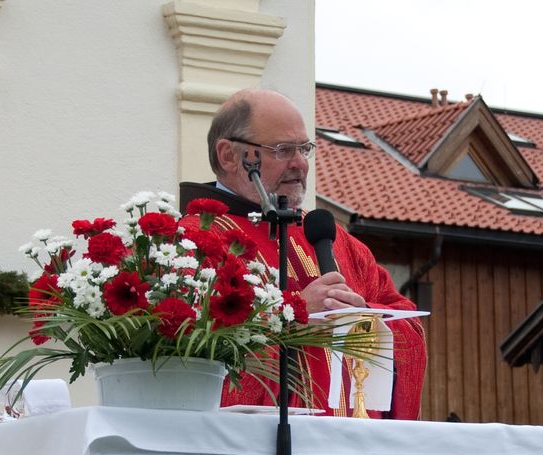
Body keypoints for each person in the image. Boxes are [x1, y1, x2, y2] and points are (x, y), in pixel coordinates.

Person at [179, 88, 427, 419]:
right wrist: (292, 314)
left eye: (304, 149)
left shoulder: (333, 237)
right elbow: (190, 348)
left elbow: (407, 321)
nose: (299, 164)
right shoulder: (194, 240)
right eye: (282, 150)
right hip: (257, 450)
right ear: (228, 156)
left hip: (356, 443)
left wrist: (364, 315)